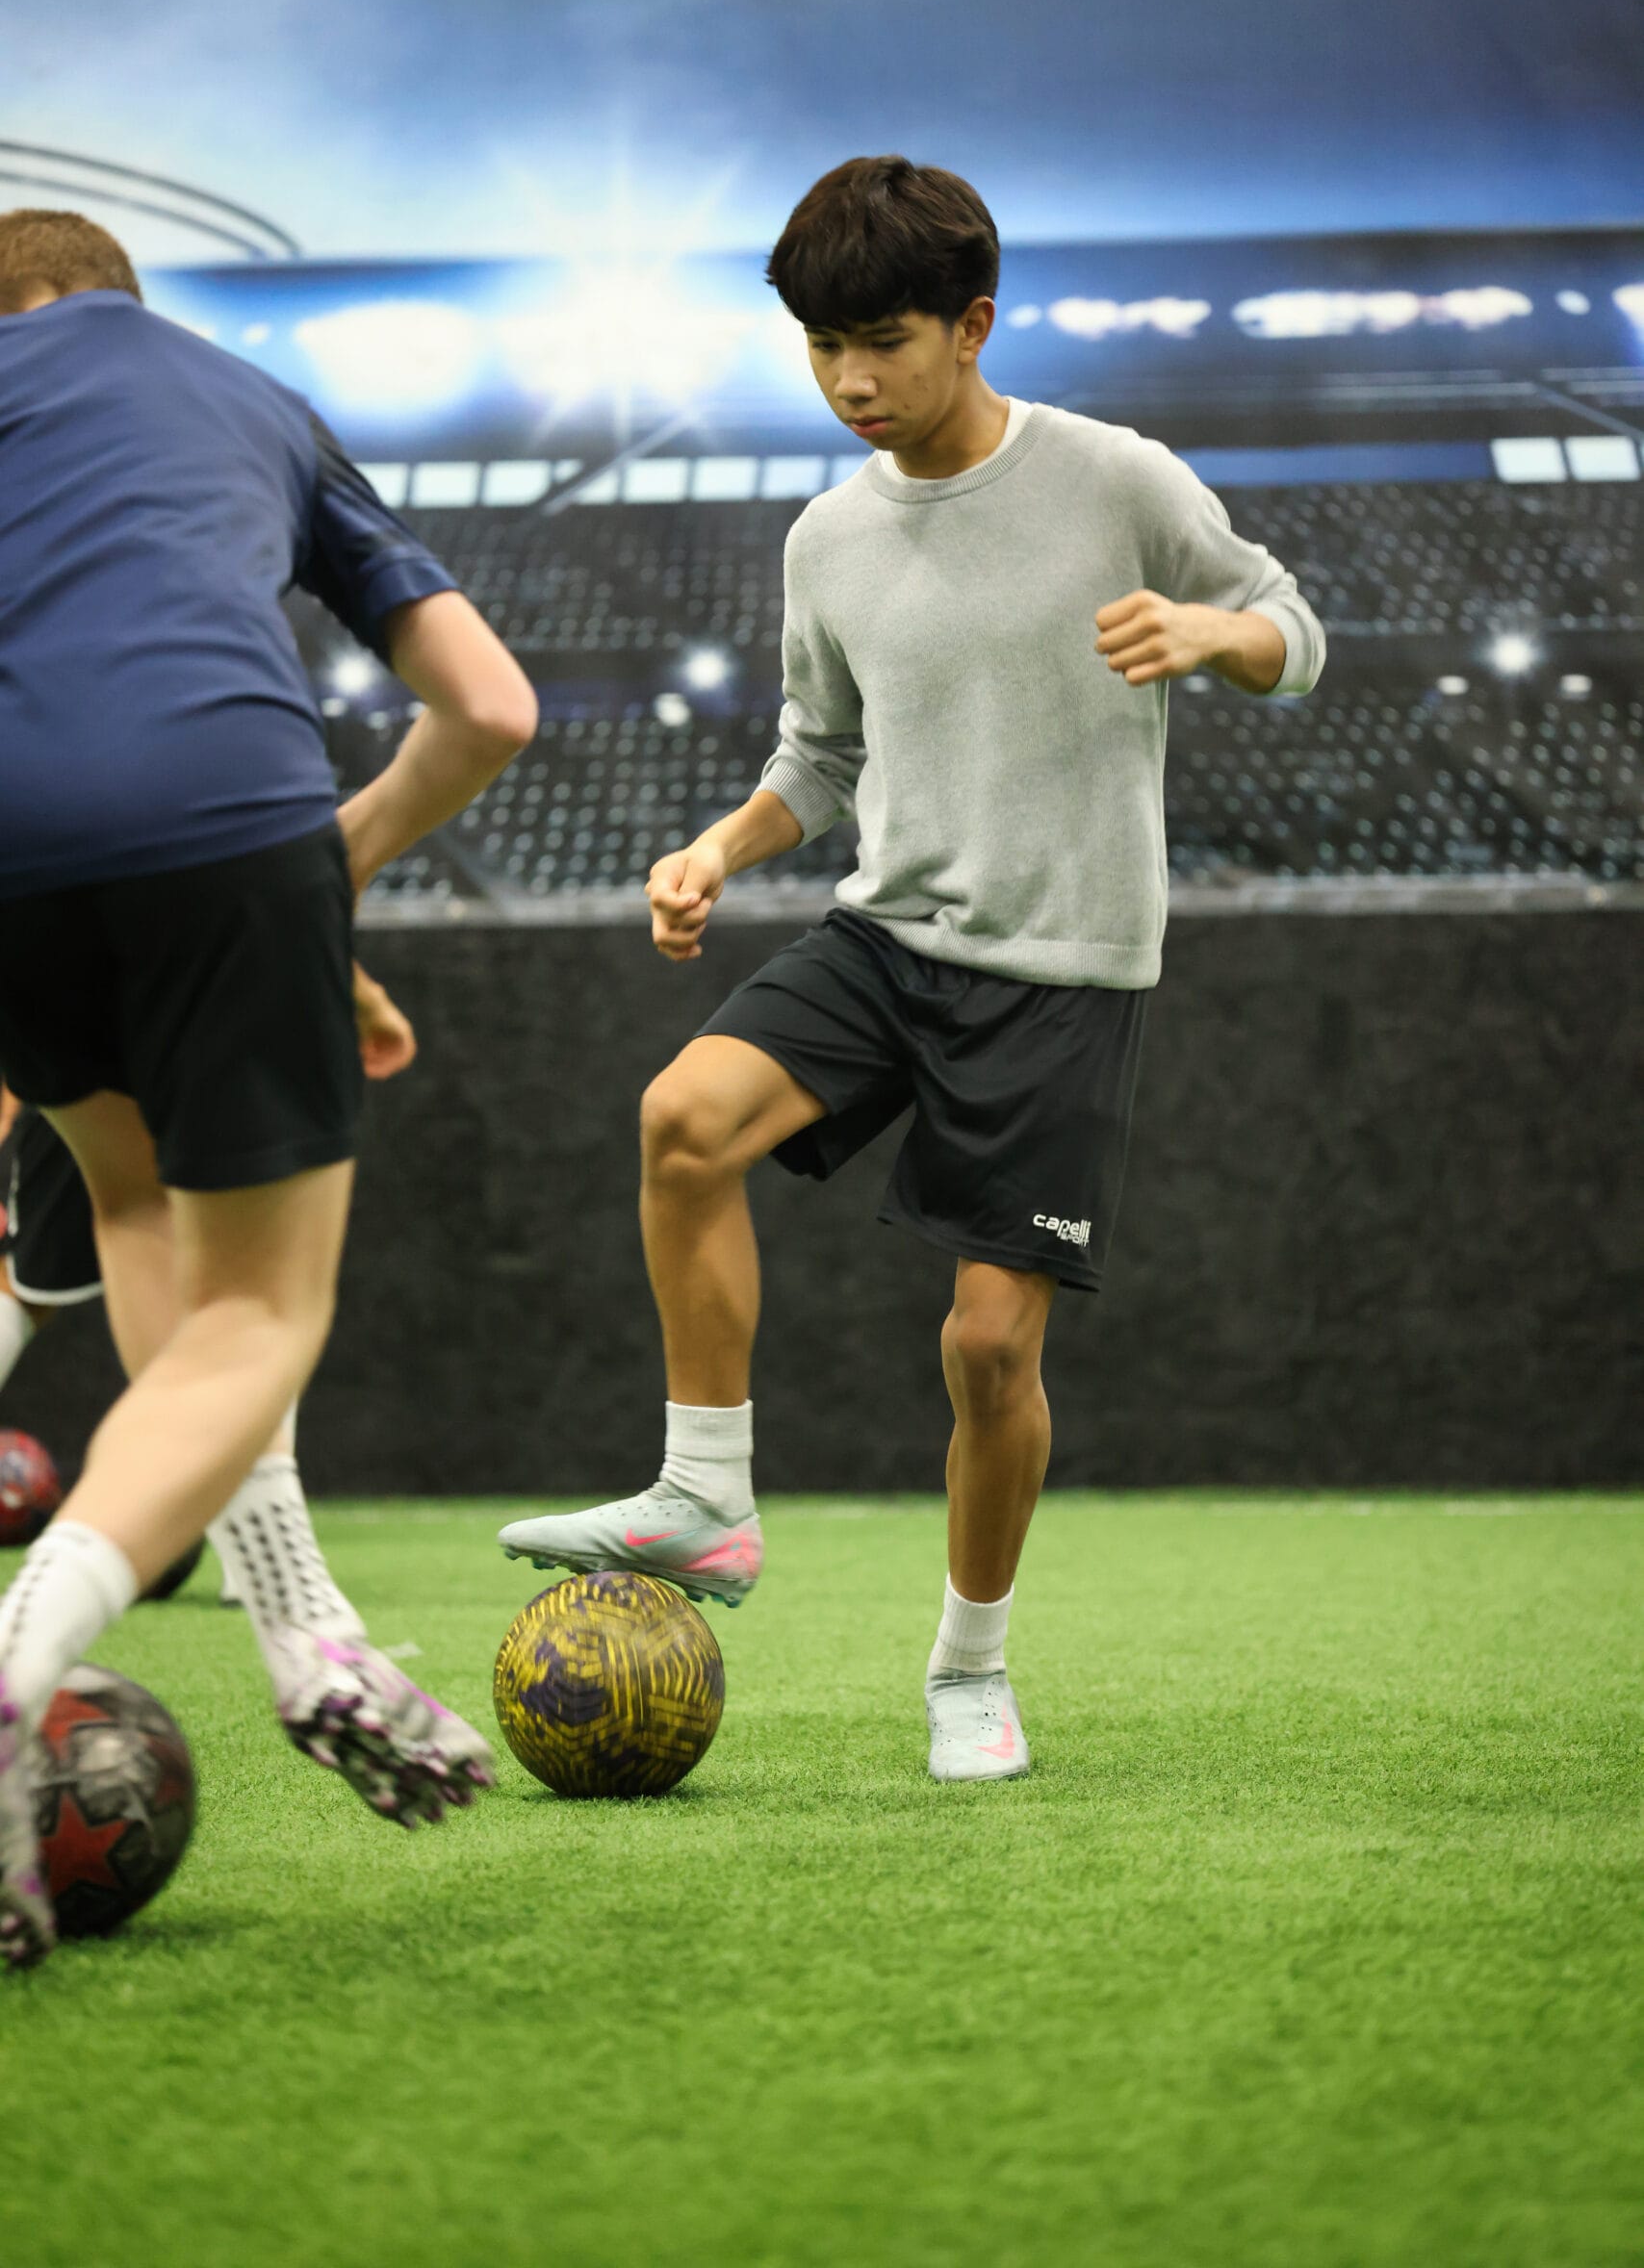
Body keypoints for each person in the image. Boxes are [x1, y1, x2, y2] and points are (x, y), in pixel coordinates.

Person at [499, 156, 1326, 1783]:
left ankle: (968, 1667)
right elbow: (818, 752)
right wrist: (714, 853)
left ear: (972, 323)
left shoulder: (1115, 479)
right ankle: (705, 1496)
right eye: (818, 346)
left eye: (880, 338)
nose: (849, 380)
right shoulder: (828, 537)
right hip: (888, 938)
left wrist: (1211, 638)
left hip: (1061, 970)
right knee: (682, 1117)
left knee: (985, 1351)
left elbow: (1289, 630)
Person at [0, 210, 538, 1969]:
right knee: (259, 1315)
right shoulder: (250, 400)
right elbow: (488, 712)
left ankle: (303, 1625)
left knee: (138, 1209)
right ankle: (25, 1659)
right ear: (117, 302)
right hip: (230, 814)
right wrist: (329, 873)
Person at [0, 960, 414, 1620]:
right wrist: (363, 995)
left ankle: (261, 1572)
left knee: (198, 1266)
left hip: (116, 1010)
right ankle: (264, 1579)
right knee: (257, 1289)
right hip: (218, 1011)